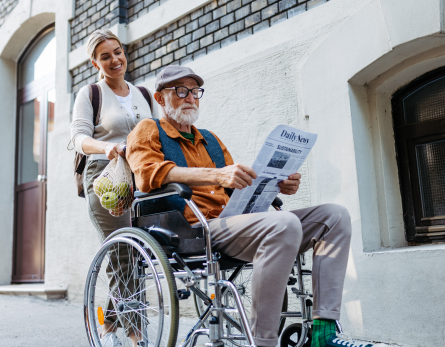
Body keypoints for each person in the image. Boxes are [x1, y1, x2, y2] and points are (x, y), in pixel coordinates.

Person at [126, 65, 354, 347]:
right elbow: (146, 175)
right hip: (193, 228)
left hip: (232, 222)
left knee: (335, 216)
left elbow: (236, 184)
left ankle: (323, 331)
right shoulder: (148, 129)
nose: (190, 97)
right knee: (284, 225)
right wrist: (216, 175)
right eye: (181, 90)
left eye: (195, 91)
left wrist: (277, 184)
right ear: (160, 99)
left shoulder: (209, 139)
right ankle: (263, 342)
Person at [70, 29, 154, 347]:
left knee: (139, 256)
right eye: (105, 56)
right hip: (106, 181)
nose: (115, 59)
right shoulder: (91, 93)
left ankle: (106, 328)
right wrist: (105, 147)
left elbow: (155, 134)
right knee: (124, 254)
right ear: (96, 62)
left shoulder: (143, 94)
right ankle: (137, 337)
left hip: (142, 180)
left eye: (117, 52)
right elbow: (78, 137)